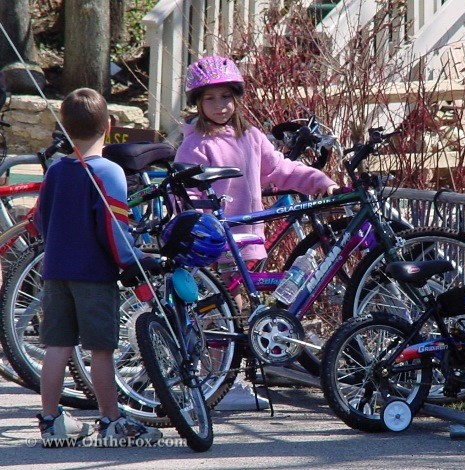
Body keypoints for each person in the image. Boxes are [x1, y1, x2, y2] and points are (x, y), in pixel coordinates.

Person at [34, 88, 162, 447]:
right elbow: (114, 228)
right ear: (109, 125)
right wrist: (130, 260)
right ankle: (111, 420)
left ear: (65, 128)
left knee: (57, 346)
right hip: (94, 274)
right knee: (101, 350)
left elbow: (40, 221)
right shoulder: (109, 172)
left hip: (55, 271)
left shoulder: (56, 171)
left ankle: (50, 421)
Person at [175, 55, 338, 268]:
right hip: (212, 238)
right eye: (210, 99)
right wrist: (199, 230)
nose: (220, 105)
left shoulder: (250, 136)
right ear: (197, 103)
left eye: (226, 96)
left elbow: (281, 169)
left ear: (236, 99)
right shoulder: (195, 145)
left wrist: (321, 182)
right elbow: (185, 193)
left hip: (247, 233)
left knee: (240, 291)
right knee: (230, 295)